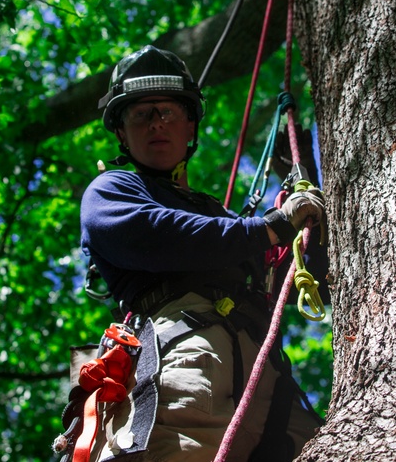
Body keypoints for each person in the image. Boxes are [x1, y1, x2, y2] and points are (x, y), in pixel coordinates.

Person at [78, 45, 325, 462]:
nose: (157, 122)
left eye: (168, 112)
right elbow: (155, 235)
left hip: (266, 381)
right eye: (141, 114)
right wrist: (268, 227)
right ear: (121, 131)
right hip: (183, 362)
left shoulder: (222, 218)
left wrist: (303, 199)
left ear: (190, 125)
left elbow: (298, 277)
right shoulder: (113, 191)